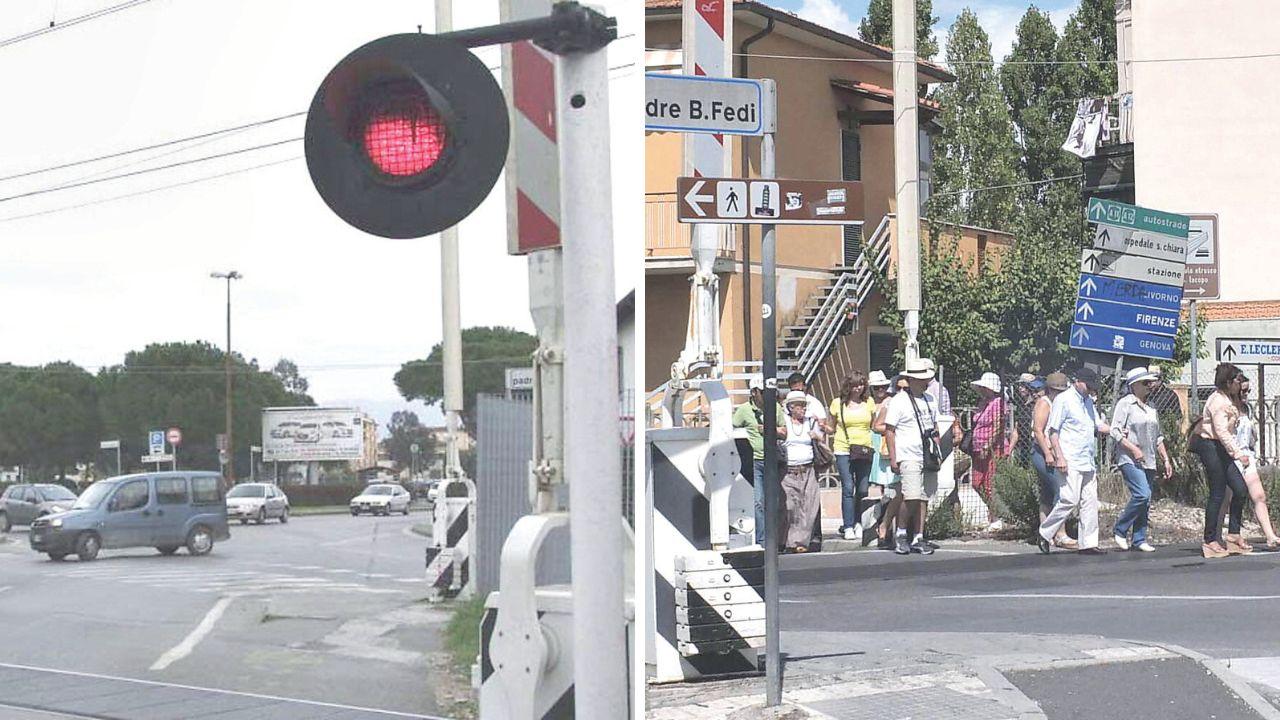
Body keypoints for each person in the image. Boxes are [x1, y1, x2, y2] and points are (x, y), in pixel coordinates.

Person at [1038, 367, 1111, 555]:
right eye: (1088, 386)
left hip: (1087, 457)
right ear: (1077, 381)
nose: (1091, 390)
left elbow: (1098, 425)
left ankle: (1088, 543)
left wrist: (1115, 431)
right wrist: (1059, 456)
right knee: (1069, 499)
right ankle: (1045, 533)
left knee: (1089, 500)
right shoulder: (1064, 400)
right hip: (1070, 458)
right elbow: (1053, 431)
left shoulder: (1088, 403)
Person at [1192, 363, 1252, 558]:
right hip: (1209, 445)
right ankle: (1210, 540)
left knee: (1240, 489)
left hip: (1220, 447)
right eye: (1238, 380)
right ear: (1228, 382)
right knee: (1217, 491)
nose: (1241, 384)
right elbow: (1222, 431)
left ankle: (1233, 535)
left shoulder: (1229, 399)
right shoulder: (1218, 402)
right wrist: (1237, 454)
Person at [883, 358, 941, 556]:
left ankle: (918, 536)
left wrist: (937, 450)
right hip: (908, 454)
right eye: (921, 379)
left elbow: (935, 428)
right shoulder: (899, 401)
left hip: (927, 455)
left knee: (923, 498)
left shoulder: (930, 400)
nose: (925, 382)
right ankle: (900, 533)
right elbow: (889, 430)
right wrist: (893, 458)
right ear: (911, 380)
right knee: (911, 496)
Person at [1110, 367, 1172, 552]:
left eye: (1151, 382)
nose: (1150, 386)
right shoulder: (1126, 404)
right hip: (1129, 458)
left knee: (1146, 500)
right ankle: (1120, 529)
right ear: (1134, 385)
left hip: (1149, 459)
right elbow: (1115, 431)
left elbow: (1157, 436)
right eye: (1146, 383)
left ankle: (1139, 538)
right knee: (1141, 494)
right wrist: (1133, 448)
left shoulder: (1151, 407)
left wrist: (1166, 459)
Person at [1226, 374, 1280, 547]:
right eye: (1243, 390)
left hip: (1247, 457)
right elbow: (1223, 433)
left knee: (1259, 495)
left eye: (1248, 391)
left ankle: (1270, 536)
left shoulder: (1246, 408)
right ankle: (1215, 538)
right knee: (1225, 500)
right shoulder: (1226, 407)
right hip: (1231, 457)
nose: (1246, 394)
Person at [732, 375, 785, 546]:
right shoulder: (744, 411)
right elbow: (731, 428)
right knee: (759, 501)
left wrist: (771, 429)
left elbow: (784, 433)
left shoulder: (775, 408)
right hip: (754, 461)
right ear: (754, 392)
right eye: (763, 392)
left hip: (773, 460)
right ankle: (763, 540)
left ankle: (775, 538)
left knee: (774, 501)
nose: (767, 396)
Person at [829, 371, 877, 541]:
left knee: (863, 488)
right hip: (844, 448)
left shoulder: (869, 403)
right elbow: (832, 427)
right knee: (848, 488)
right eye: (855, 384)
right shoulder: (837, 404)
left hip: (864, 448)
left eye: (861, 384)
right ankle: (848, 525)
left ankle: (859, 522)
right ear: (848, 386)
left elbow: (874, 424)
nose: (858, 388)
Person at [1033, 372, 1075, 549]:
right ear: (1049, 389)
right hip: (1043, 453)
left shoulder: (1059, 403)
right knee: (1061, 490)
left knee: (1047, 493)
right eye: (1057, 390)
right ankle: (1060, 534)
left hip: (1053, 452)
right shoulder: (1045, 403)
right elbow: (1038, 431)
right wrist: (1048, 454)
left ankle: (1045, 533)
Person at [781, 390, 823, 553]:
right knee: (790, 506)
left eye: (805, 405)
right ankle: (788, 540)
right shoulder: (784, 422)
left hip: (808, 469)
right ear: (791, 407)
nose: (804, 409)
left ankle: (799, 543)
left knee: (809, 507)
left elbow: (822, 439)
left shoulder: (810, 422)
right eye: (800, 406)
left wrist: (816, 435)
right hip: (788, 471)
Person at [969, 372, 1009, 530]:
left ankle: (995, 517)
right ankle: (993, 512)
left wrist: (988, 445)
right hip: (978, 448)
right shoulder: (983, 403)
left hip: (991, 448)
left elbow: (998, 426)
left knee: (989, 483)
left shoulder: (998, 403)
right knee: (976, 482)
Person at [869, 372, 904, 549]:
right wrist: (896, 429)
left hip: (911, 450)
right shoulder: (890, 403)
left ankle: (893, 527)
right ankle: (885, 525)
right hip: (894, 450)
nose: (902, 391)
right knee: (898, 491)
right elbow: (876, 426)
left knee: (905, 492)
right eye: (899, 388)